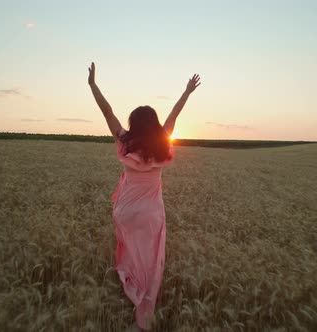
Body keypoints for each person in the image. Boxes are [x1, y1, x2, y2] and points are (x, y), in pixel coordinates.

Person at [87, 62, 201, 330]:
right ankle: (144, 304)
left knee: (130, 251)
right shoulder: (163, 142)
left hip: (125, 212)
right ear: (155, 124)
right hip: (151, 214)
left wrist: (93, 85)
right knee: (150, 261)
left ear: (133, 124)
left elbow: (107, 112)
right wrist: (187, 92)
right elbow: (175, 113)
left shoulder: (125, 141)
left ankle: (130, 284)